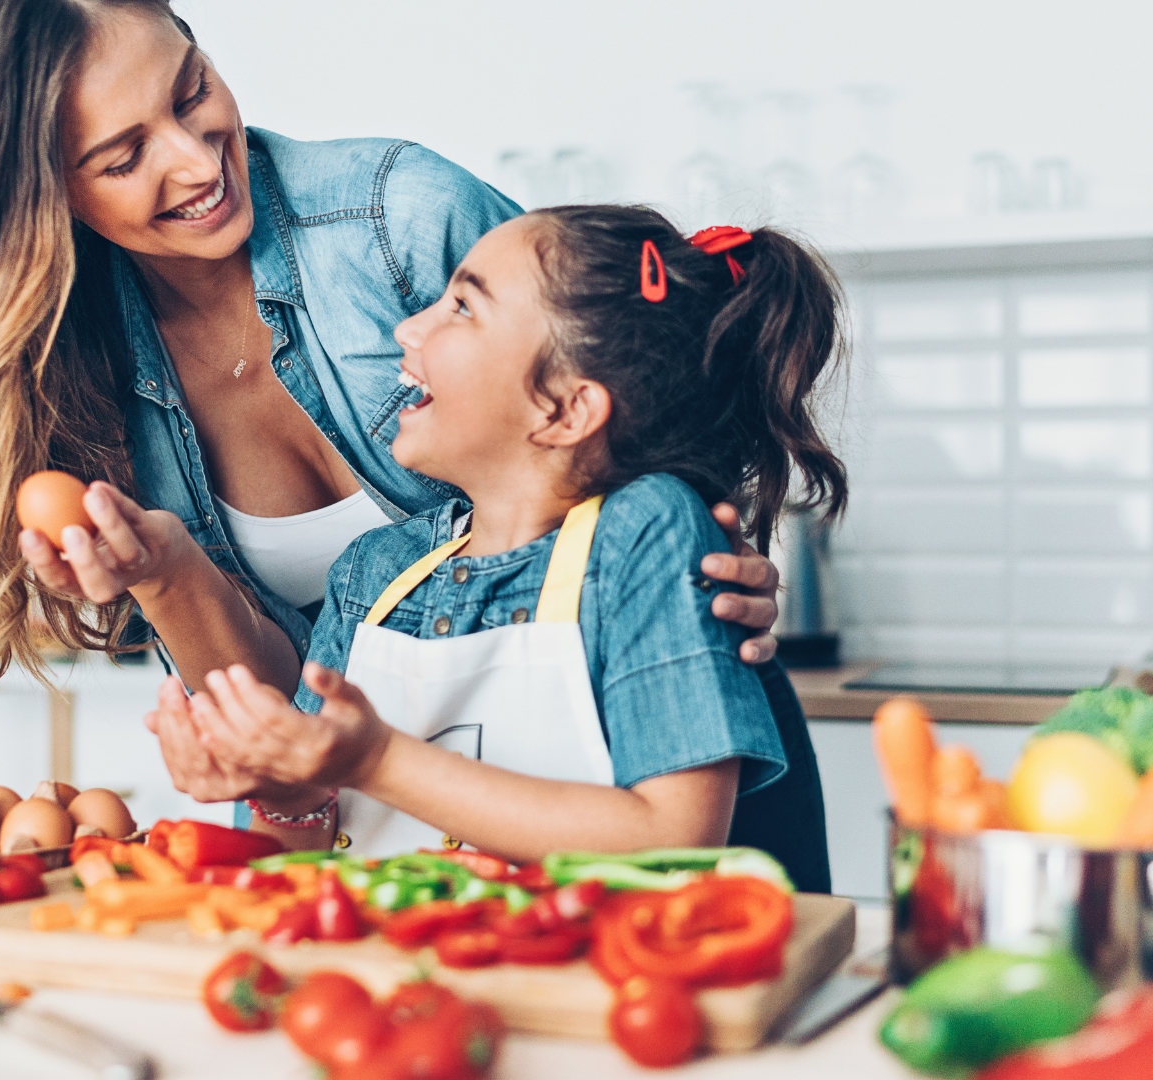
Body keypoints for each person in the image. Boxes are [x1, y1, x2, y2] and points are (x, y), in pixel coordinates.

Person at [0, 0, 826, 887]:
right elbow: (311, 760)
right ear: (39, 196)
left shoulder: (400, 216)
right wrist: (173, 586)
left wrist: (701, 555)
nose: (199, 163)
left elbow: (622, 388)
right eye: (124, 158)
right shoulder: (69, 375)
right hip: (444, 893)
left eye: (193, 90)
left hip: (689, 807)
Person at [147, 207, 847, 868]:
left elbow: (674, 837)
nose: (407, 330)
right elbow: (300, 855)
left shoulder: (643, 533)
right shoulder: (374, 574)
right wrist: (283, 791)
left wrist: (375, 760)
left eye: (462, 307)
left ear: (565, 409)